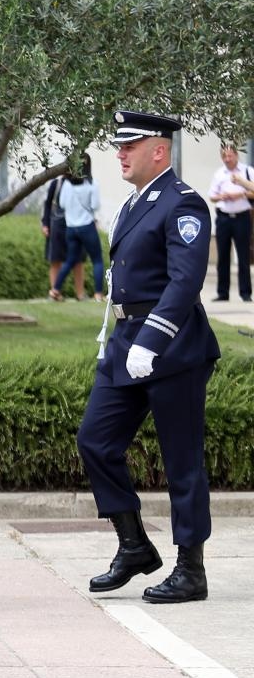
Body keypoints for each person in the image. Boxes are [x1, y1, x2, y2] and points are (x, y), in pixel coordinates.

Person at [79, 110, 218, 603]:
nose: (120, 153)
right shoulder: (135, 203)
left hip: (173, 346)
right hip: (126, 341)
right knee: (95, 441)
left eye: (129, 146)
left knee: (182, 460)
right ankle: (134, 545)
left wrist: (152, 340)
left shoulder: (183, 203)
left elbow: (185, 281)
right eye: (119, 146)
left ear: (159, 150)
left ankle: (191, 570)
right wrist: (132, 340)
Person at [207, 142, 253, 302]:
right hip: (224, 218)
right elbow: (212, 196)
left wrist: (240, 195)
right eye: (224, 156)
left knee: (243, 256)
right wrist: (222, 196)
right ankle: (222, 293)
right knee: (223, 257)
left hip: (242, 217)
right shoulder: (219, 174)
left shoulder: (247, 171)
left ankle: (245, 293)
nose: (227, 159)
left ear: (236, 155)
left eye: (230, 156)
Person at [53, 164, 104, 302]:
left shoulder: (66, 184)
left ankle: (55, 289)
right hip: (87, 226)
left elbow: (62, 204)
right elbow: (95, 205)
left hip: (71, 228)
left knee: (70, 260)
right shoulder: (92, 184)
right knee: (97, 260)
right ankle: (98, 294)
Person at [41, 169, 68, 297]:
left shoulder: (80, 184)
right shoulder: (56, 184)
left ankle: (80, 293)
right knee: (55, 260)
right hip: (55, 226)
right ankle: (55, 291)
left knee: (76, 261)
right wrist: (45, 224)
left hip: (73, 226)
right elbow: (47, 205)